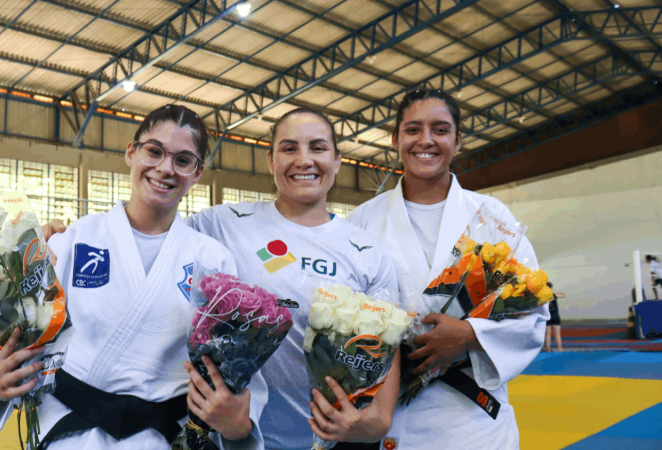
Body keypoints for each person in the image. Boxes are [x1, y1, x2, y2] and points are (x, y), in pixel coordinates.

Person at [44, 107, 401, 450]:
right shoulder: (222, 225)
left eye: (318, 148)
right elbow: (150, 227)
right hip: (241, 426)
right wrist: (62, 239)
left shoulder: (367, 251)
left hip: (328, 434)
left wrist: (381, 418)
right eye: (289, 148)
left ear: (338, 160)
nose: (303, 160)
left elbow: (386, 341)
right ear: (270, 160)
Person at [0, 105, 267, 450]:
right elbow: (19, 336)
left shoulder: (214, 261)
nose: (165, 168)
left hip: (164, 439)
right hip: (70, 435)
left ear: (197, 173)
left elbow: (238, 365)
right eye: (154, 151)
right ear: (131, 152)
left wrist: (238, 420)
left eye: (183, 160)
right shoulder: (72, 240)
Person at [347, 88, 549, 450]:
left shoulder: (491, 217)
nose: (426, 140)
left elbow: (532, 311)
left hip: (474, 423)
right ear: (395, 139)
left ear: (458, 141)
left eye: (440, 130)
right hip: (393, 417)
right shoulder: (362, 221)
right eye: (413, 129)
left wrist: (469, 336)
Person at [543, 282, 566, 352]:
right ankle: (560, 348)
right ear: (551, 288)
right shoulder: (554, 295)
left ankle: (548, 349)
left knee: (548, 333)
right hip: (555, 316)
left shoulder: (542, 296)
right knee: (557, 333)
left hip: (547, 316)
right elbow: (563, 295)